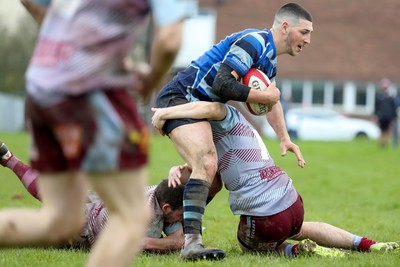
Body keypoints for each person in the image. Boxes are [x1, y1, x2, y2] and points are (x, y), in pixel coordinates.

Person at [0, 1, 194, 266]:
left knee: (61, 219)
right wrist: (152, 79)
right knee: (130, 219)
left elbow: (40, 8)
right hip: (94, 92)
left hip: (45, 86)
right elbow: (170, 42)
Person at [154, 2, 311, 260]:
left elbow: (272, 100)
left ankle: (174, 225)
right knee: (206, 162)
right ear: (285, 27)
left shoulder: (269, 59)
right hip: (181, 99)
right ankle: (190, 243)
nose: (308, 39)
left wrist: (284, 138)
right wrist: (264, 95)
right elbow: (223, 83)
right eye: (304, 32)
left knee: (213, 179)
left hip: (202, 108)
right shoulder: (254, 42)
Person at [151, 101, 399, 257]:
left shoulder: (223, 117)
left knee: (246, 243)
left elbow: (210, 177)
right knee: (298, 228)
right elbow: (207, 168)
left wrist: (167, 112)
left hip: (268, 217)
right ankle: (368, 244)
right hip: (292, 201)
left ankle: (295, 250)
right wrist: (181, 167)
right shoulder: (240, 129)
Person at [0, 141, 185, 253]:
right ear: (166, 208)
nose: (183, 218)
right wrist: (154, 243)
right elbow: (144, 245)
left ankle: (7, 157)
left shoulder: (161, 192)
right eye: (182, 214)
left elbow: (178, 239)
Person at [374, 78, 397, 148]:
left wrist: (394, 117)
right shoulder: (379, 97)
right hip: (381, 117)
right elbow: (376, 107)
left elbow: (393, 108)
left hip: (388, 117)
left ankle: (386, 143)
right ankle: (381, 143)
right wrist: (376, 116)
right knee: (382, 131)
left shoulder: (391, 97)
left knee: (388, 131)